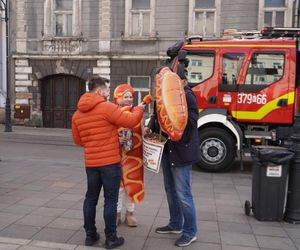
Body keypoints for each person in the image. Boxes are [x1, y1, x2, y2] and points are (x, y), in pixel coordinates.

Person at [72, 77, 145, 249]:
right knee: (111, 200)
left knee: (90, 198)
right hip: (110, 163)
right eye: (106, 89)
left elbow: (78, 140)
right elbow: (130, 121)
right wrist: (140, 108)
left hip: (91, 163)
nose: (107, 92)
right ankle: (111, 238)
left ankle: (90, 235)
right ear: (98, 91)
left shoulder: (77, 114)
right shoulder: (106, 107)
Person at [146, 72, 200, 247]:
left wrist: (173, 128)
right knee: (170, 189)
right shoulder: (161, 95)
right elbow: (156, 117)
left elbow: (191, 123)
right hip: (166, 149)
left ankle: (190, 232)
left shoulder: (187, 95)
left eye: (160, 80)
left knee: (183, 193)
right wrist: (150, 128)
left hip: (181, 150)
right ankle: (176, 224)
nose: (158, 84)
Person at [113, 83, 144, 227]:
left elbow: (142, 130)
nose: (129, 99)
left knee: (133, 185)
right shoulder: (112, 113)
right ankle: (117, 213)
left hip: (134, 156)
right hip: (117, 155)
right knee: (118, 187)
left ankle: (130, 213)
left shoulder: (138, 112)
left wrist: (146, 132)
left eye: (131, 96)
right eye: (125, 96)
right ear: (117, 97)